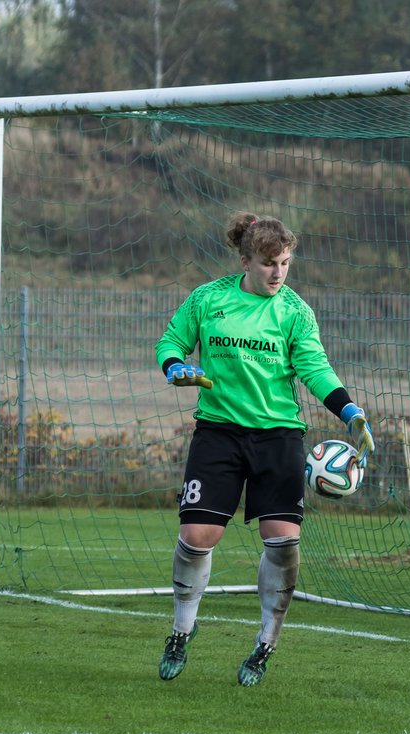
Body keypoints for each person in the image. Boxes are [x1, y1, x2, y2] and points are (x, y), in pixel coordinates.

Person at [154, 211, 375, 687]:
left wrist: (350, 411)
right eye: (270, 263)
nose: (278, 273)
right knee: (196, 538)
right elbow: (171, 341)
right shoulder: (209, 299)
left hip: (278, 437)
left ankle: (265, 643)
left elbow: (315, 369)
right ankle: (180, 631)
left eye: (286, 263)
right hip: (218, 432)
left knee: (283, 543)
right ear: (246, 260)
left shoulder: (294, 312)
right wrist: (175, 366)